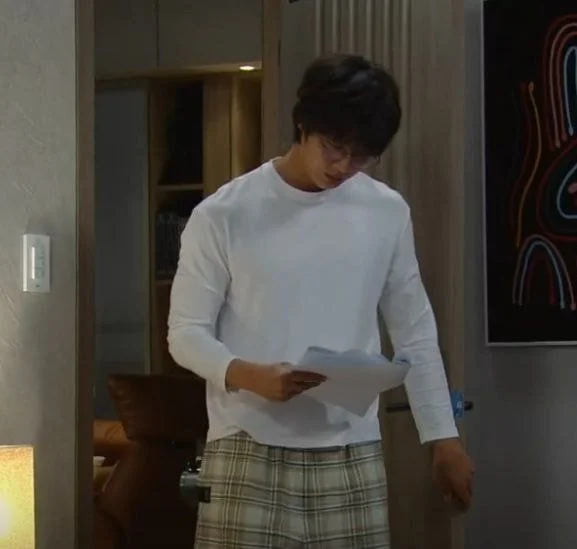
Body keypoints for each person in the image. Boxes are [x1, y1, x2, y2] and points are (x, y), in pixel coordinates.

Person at [168, 53, 474, 548]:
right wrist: (246, 374)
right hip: (246, 446)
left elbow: (414, 331)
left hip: (351, 448)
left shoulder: (386, 212)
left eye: (361, 157)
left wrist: (443, 435)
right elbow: (184, 333)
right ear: (303, 124)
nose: (343, 166)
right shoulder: (224, 214)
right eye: (334, 147)